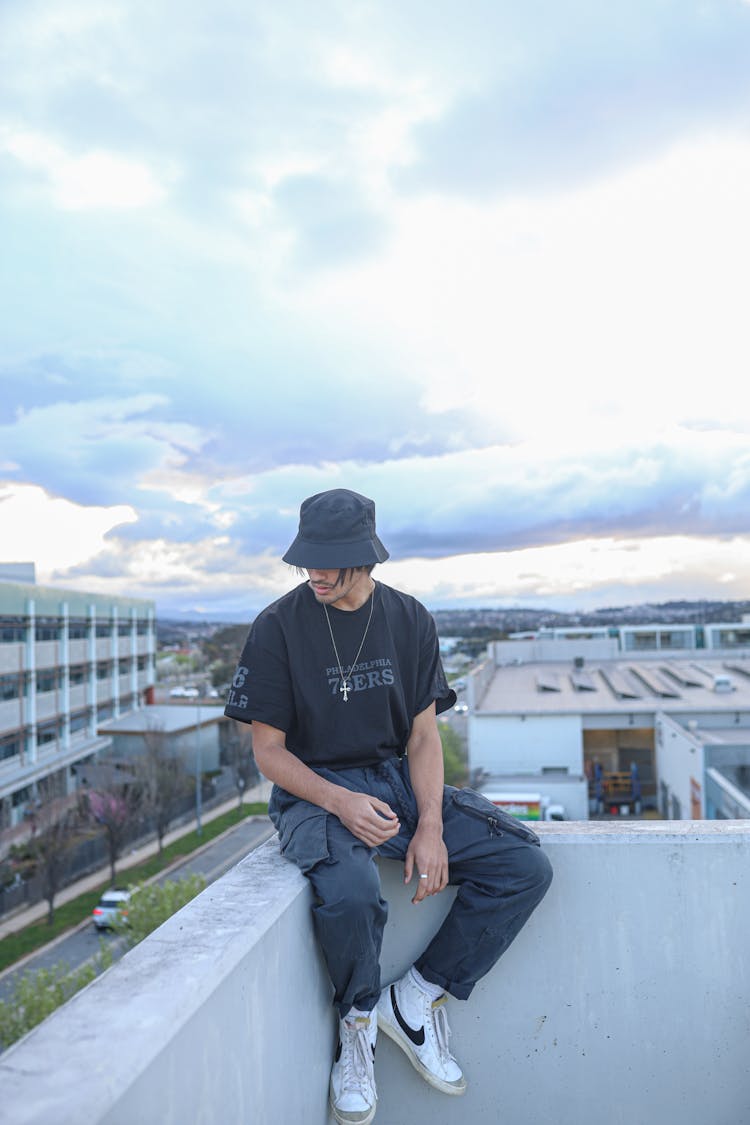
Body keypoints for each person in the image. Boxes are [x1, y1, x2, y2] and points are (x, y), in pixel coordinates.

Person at [224, 489, 552, 1125]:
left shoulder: (409, 620)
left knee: (522, 865)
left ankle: (418, 996)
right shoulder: (277, 628)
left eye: (329, 561)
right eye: (306, 561)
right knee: (349, 893)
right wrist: (341, 801)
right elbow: (268, 752)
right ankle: (358, 1027)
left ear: (366, 559)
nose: (314, 573)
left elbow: (425, 738)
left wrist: (430, 826)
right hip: (313, 792)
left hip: (398, 784)